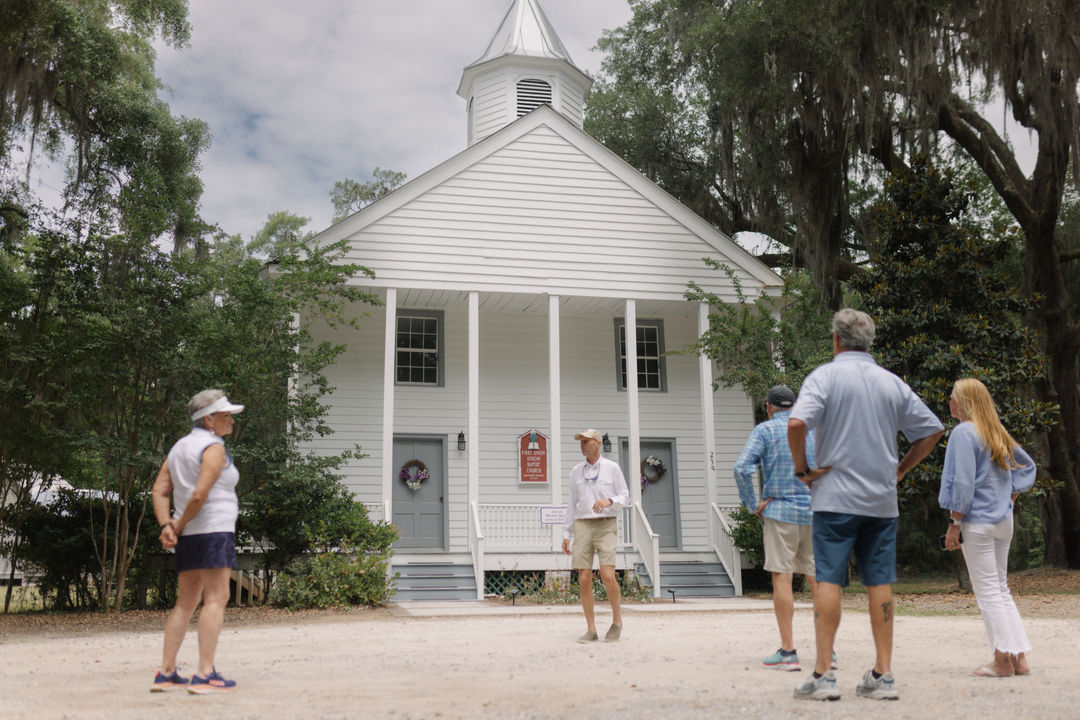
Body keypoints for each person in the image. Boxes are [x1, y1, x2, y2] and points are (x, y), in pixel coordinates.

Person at [787, 309, 944, 701]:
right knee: (880, 581)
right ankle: (884, 674)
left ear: (836, 340)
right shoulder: (891, 383)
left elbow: (795, 424)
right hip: (880, 499)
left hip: (835, 497)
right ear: (869, 341)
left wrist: (803, 469)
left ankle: (823, 676)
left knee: (828, 580)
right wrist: (901, 469)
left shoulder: (824, 377)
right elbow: (932, 429)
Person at [939, 378, 1036, 677]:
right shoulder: (996, 431)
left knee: (988, 593)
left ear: (965, 402)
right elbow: (1027, 468)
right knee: (1002, 588)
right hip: (1002, 520)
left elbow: (963, 482)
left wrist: (955, 523)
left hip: (978, 522)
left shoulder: (963, 433)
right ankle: (1019, 658)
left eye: (953, 398)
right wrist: (1006, 498)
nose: (950, 403)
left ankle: (1002, 660)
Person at [150, 389, 244, 694]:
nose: (231, 419)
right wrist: (177, 522)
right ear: (209, 419)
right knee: (217, 598)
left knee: (185, 601)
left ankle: (166, 673)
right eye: (226, 415)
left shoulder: (179, 447)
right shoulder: (213, 447)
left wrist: (168, 524)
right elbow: (200, 494)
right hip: (214, 530)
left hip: (190, 535)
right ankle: (204, 674)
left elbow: (160, 489)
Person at [733, 385, 824, 671]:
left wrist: (753, 504)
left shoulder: (765, 431)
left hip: (781, 511)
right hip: (815, 511)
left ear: (768, 407)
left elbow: (742, 468)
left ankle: (789, 652)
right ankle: (828, 651)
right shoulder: (812, 430)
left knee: (782, 579)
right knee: (818, 580)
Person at [562, 428, 630, 643]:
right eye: (580, 442)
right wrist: (566, 533)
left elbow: (625, 496)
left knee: (607, 574)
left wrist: (609, 501)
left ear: (598, 443)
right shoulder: (575, 472)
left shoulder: (612, 468)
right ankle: (591, 629)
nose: (582, 445)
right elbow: (572, 504)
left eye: (586, 441)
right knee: (583, 577)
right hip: (582, 524)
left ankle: (617, 621)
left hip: (605, 523)